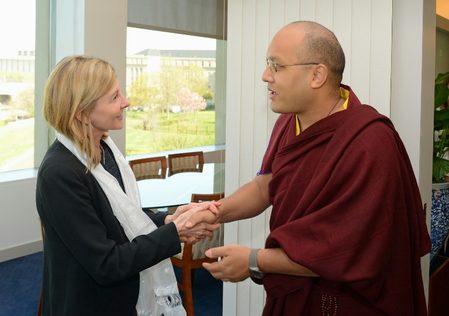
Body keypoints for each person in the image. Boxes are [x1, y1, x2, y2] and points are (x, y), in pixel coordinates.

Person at [197, 21, 431, 315]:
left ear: (317, 74)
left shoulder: (369, 142)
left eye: (276, 66)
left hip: (346, 300)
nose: (265, 76)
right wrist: (214, 212)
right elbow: (267, 185)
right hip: (295, 292)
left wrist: (254, 260)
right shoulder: (289, 122)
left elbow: (348, 251)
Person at [36, 55, 218, 316]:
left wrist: (166, 221)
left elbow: (123, 216)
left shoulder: (104, 149)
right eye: (114, 97)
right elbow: (107, 263)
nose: (126, 102)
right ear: (82, 112)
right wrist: (174, 233)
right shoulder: (59, 173)